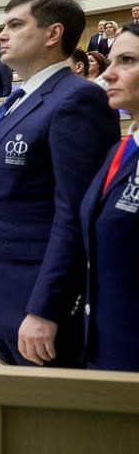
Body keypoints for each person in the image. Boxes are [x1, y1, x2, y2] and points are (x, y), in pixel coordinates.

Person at [0, 0, 120, 367]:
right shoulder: (20, 99)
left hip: (37, 310)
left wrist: (47, 308)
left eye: (15, 25)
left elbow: (75, 215)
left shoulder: (77, 99)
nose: (1, 35)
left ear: (53, 34)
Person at [78, 23, 139, 371]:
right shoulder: (122, 150)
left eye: (127, 61)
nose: (109, 74)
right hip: (105, 348)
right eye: (111, 61)